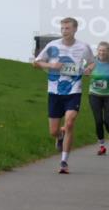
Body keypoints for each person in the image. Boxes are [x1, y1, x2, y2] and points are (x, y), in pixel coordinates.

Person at [33, 17, 95, 173]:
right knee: (53, 131)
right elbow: (36, 62)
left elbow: (92, 62)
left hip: (74, 90)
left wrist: (89, 69)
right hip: (54, 92)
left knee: (70, 122)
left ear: (75, 29)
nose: (64, 31)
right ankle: (59, 136)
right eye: (62, 28)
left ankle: (64, 162)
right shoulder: (53, 46)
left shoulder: (83, 47)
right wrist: (50, 65)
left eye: (67, 28)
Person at [86, 41, 109, 156]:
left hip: (108, 96)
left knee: (108, 121)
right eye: (100, 50)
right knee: (99, 121)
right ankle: (101, 146)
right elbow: (86, 71)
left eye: (104, 50)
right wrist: (87, 71)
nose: (102, 52)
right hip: (94, 95)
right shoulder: (93, 62)